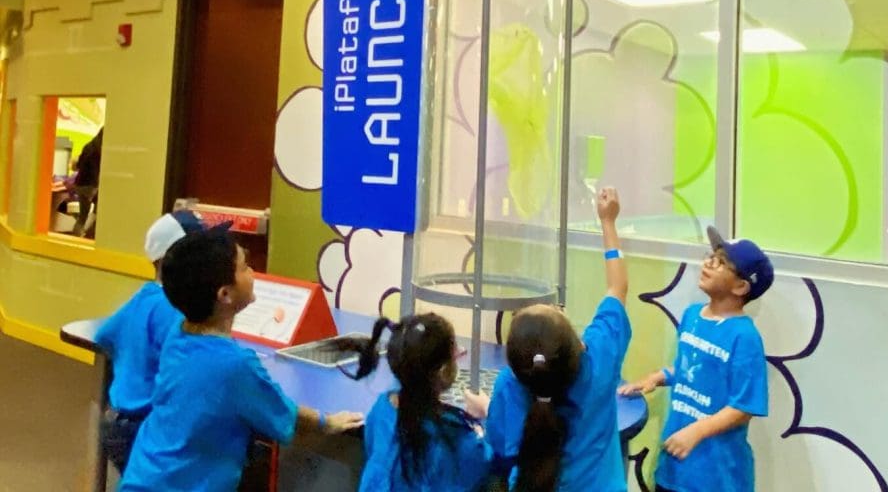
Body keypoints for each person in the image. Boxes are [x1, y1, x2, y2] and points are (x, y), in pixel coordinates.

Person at [120, 227, 362, 491]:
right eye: (245, 268)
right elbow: (286, 417)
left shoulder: (177, 335)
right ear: (225, 294)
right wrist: (328, 422)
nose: (253, 273)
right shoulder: (235, 365)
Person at [468, 187, 630, 492]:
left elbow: (502, 451)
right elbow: (617, 287)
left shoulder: (510, 385)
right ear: (577, 343)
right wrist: (608, 223)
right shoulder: (600, 360)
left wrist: (491, 410)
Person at [619, 226, 773, 492]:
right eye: (711, 255)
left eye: (722, 262)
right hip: (674, 470)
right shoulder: (691, 316)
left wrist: (697, 432)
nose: (709, 263)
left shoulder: (744, 337)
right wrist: (657, 377)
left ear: (741, 286)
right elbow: (691, 368)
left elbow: (744, 406)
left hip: (715, 477)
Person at [96, 209, 211, 473]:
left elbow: (104, 335)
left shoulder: (144, 297)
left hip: (117, 419)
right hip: (144, 424)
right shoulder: (175, 309)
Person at [343, 312, 493, 492]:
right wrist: (488, 417)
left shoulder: (382, 408)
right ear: (443, 370)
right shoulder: (455, 437)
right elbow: (486, 462)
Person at [70, 127, 103, 236]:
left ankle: (79, 233)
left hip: (80, 183)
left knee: (83, 214)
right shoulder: (101, 150)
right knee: (95, 212)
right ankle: (85, 234)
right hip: (91, 185)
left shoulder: (88, 146)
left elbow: (78, 165)